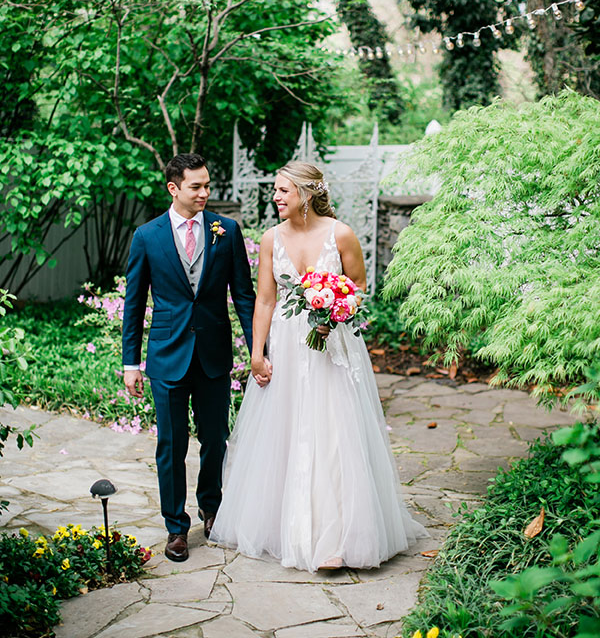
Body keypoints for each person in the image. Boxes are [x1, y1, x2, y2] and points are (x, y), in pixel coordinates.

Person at [210, 161, 427, 572]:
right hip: (288, 348)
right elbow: (265, 300)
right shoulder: (271, 238)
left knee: (334, 435)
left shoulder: (340, 233)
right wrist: (257, 352)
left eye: (282, 191)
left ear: (306, 195)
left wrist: (336, 312)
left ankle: (340, 538)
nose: (275, 197)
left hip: (333, 349)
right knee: (287, 434)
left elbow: (359, 289)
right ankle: (287, 527)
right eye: (275, 190)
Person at [122, 153, 255, 562]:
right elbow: (134, 301)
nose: (204, 192)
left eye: (207, 185)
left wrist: (259, 352)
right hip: (166, 356)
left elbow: (244, 296)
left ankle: (211, 510)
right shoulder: (147, 236)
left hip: (214, 354)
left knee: (214, 440)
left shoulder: (226, 231)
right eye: (196, 186)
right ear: (173, 188)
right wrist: (131, 362)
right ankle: (176, 527)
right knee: (171, 445)